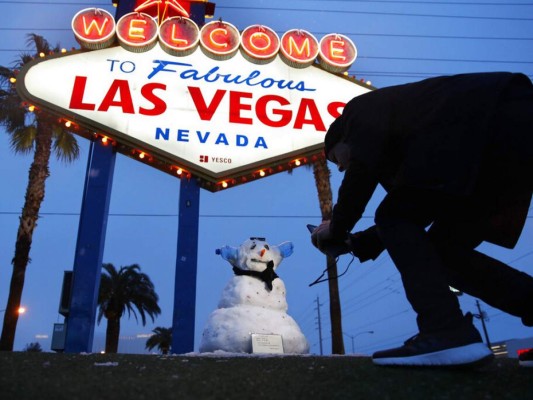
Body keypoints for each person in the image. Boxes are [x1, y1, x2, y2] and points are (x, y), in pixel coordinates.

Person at [311, 72, 533, 367]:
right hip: (503, 133)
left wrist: (336, 230)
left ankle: (445, 331)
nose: (340, 168)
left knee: (394, 214)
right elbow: (417, 214)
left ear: (342, 139)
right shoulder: (415, 140)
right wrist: (358, 241)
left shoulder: (358, 112)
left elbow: (365, 178)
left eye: (337, 160)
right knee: (442, 251)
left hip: (495, 117)